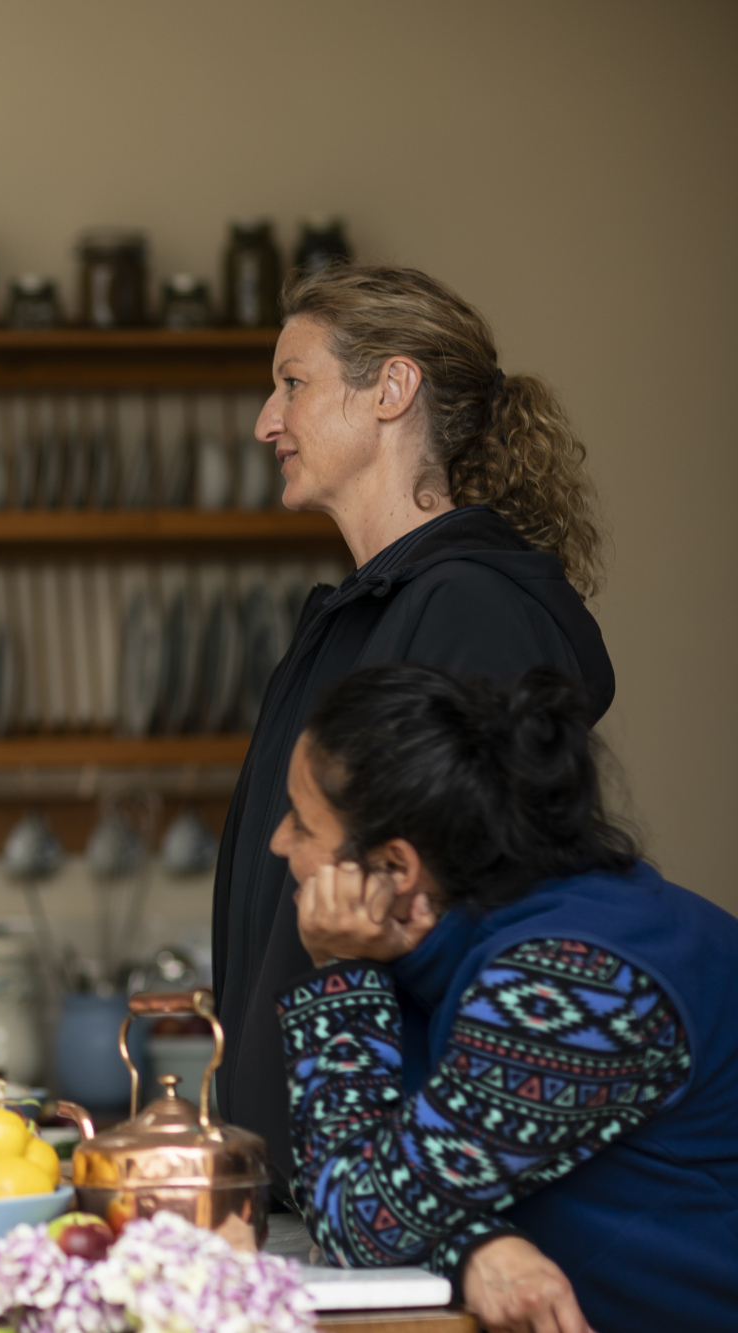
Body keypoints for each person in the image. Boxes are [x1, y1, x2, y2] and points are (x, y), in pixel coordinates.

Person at [212, 265, 614, 1188]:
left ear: (392, 389)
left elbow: (485, 922)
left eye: (293, 383)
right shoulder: (355, 613)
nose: (267, 422)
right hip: (319, 1154)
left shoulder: (471, 609)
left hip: (412, 1174)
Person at [274, 663, 738, 1333]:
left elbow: (355, 1218)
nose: (278, 840)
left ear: (396, 868)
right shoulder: (439, 945)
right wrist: (478, 1246)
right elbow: (372, 1180)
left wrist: (338, 968)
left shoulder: (569, 984)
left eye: (300, 822)